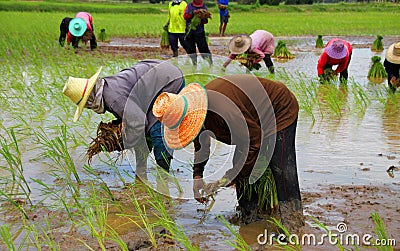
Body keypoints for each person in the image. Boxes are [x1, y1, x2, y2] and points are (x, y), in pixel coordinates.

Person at [152, 74, 304, 231]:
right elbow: (201, 143)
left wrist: (229, 178)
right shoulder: (196, 113)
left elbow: (254, 143)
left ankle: (293, 223)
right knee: (242, 166)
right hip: (250, 122)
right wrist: (198, 176)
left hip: (278, 109)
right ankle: (249, 219)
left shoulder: (223, 109)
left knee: (280, 167)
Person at [62, 60, 185, 178]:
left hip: (170, 82)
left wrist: (121, 142)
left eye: (86, 105)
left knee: (156, 129)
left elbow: (140, 123)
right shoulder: (106, 88)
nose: (89, 108)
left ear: (90, 98)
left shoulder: (114, 99)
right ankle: (141, 173)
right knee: (139, 129)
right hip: (155, 76)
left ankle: (163, 177)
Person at [184, 0, 213, 66]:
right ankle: (194, 64)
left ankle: (210, 64)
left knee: (203, 49)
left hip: (199, 32)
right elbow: (185, 16)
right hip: (189, 31)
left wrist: (202, 18)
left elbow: (206, 21)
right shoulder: (189, 6)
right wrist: (193, 13)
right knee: (191, 49)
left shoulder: (204, 7)